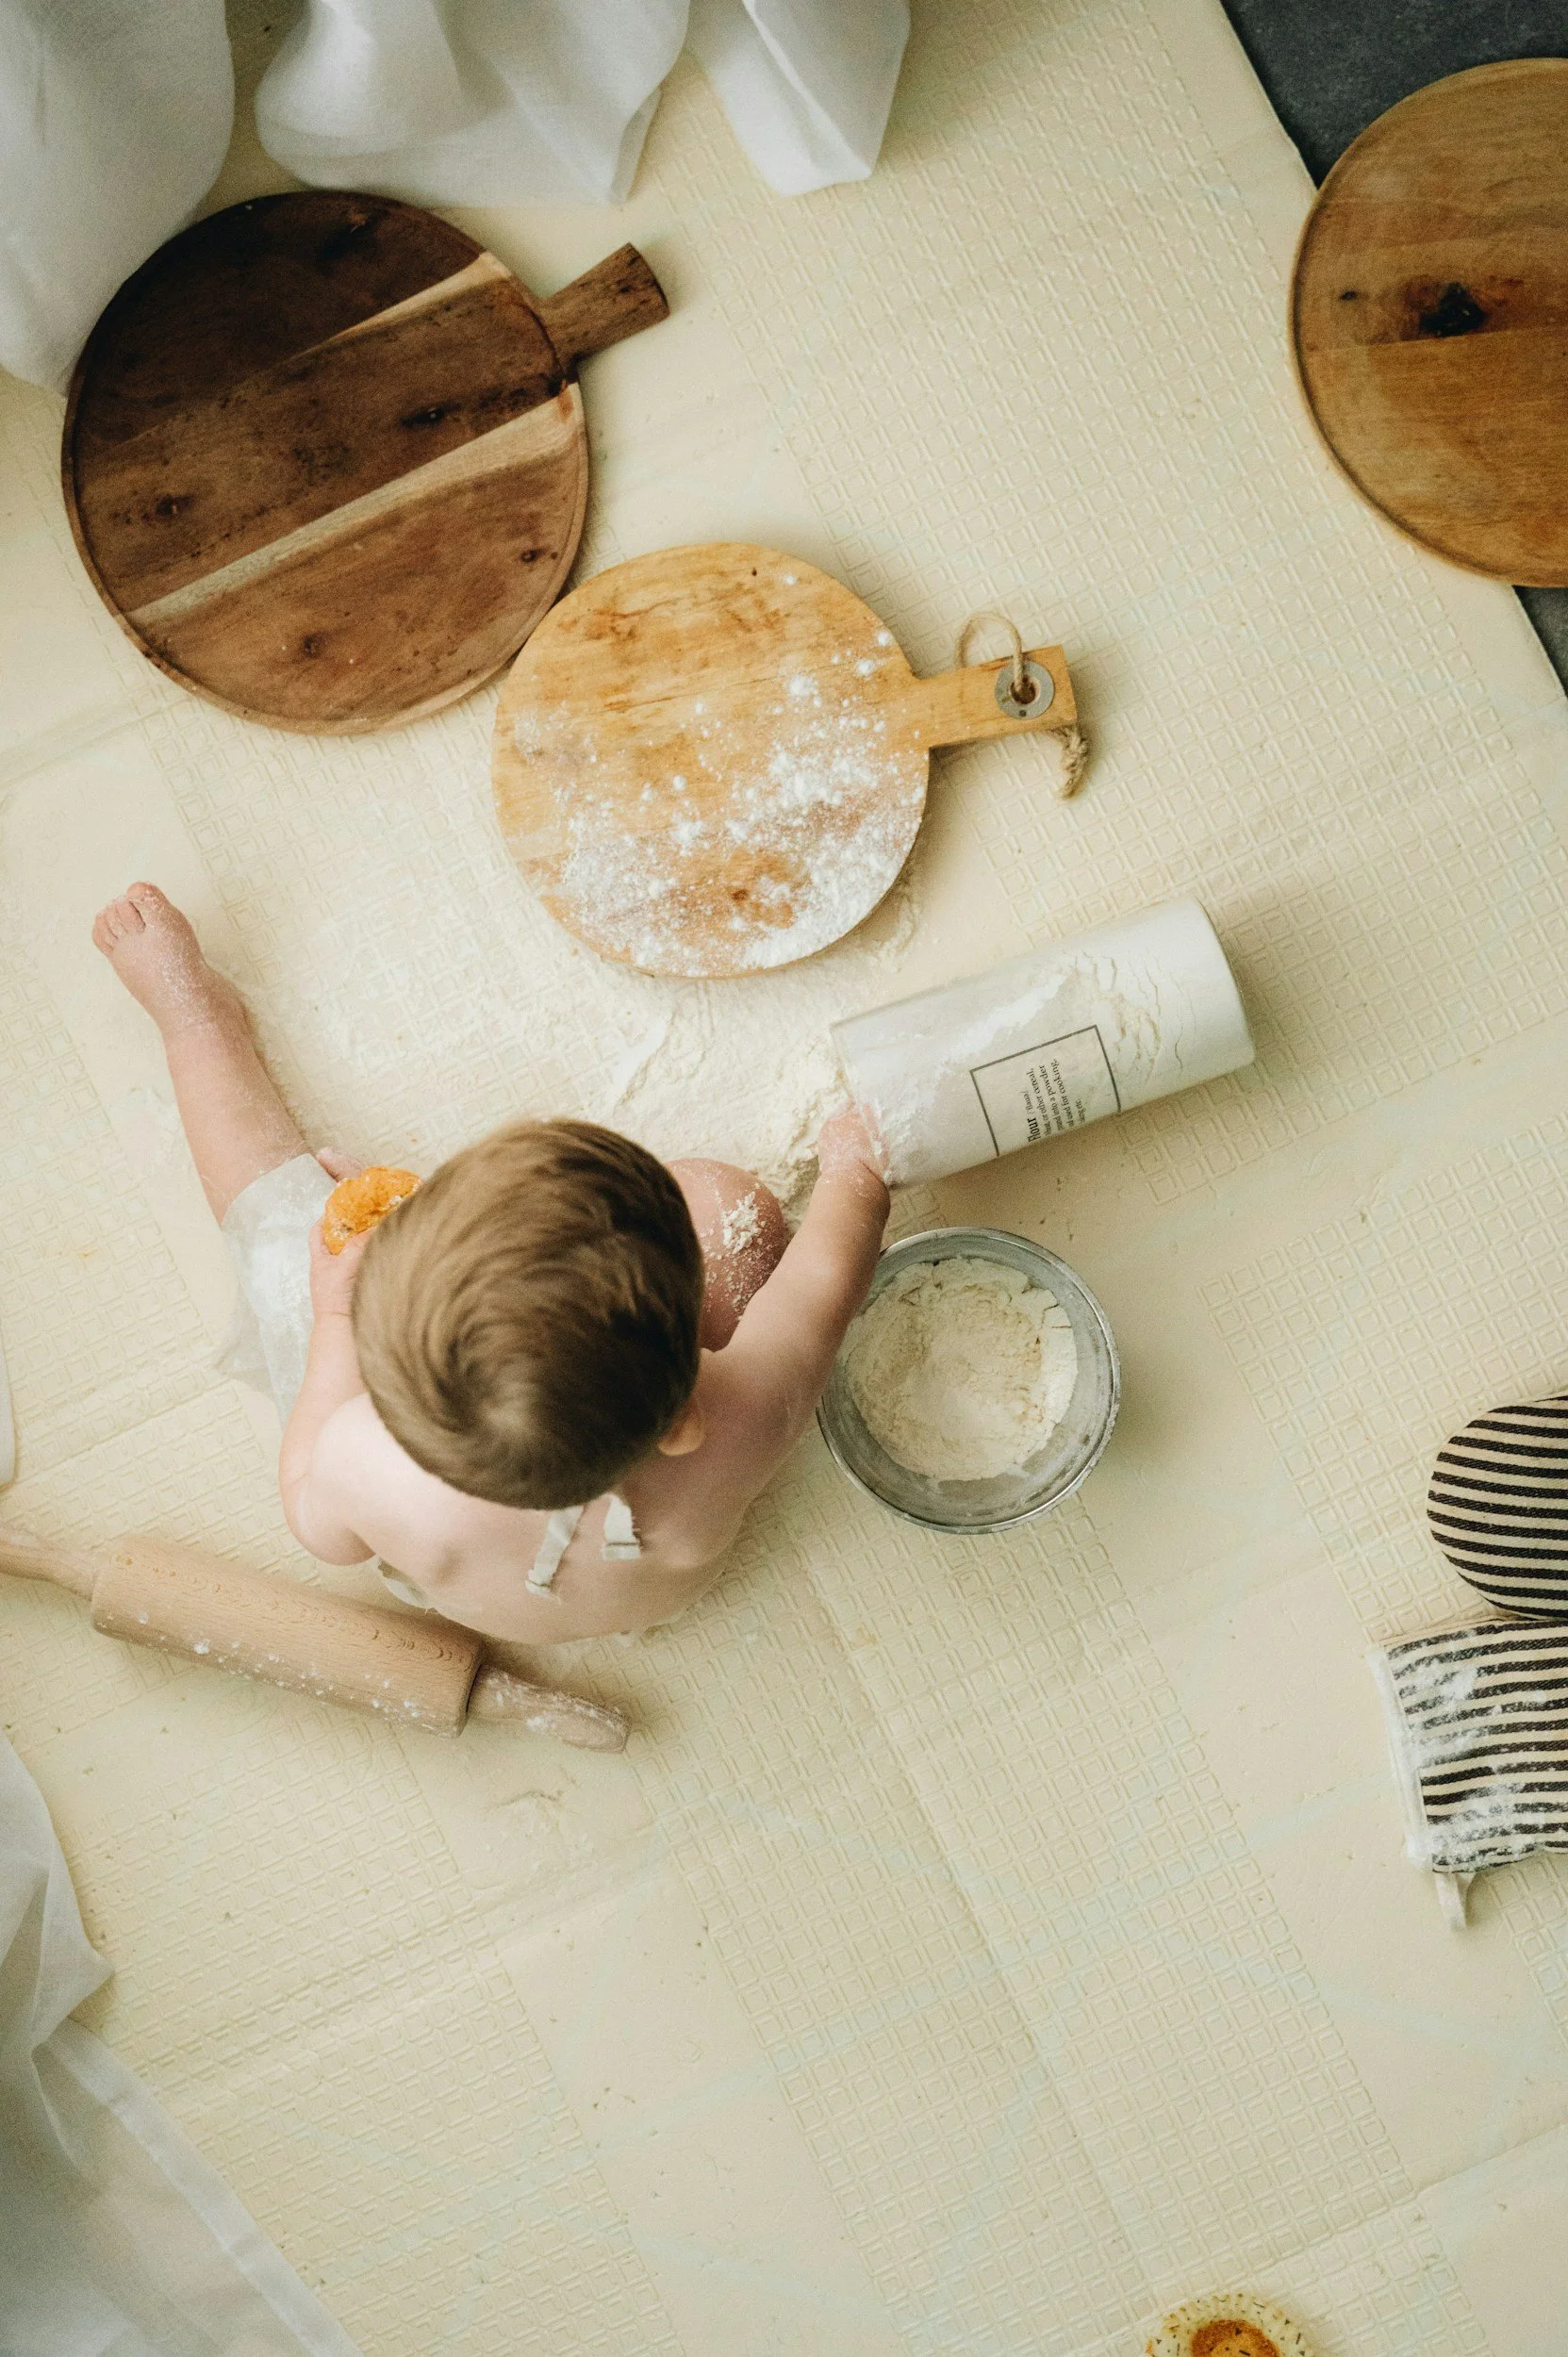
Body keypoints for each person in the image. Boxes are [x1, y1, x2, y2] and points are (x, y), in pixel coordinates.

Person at [93, 882, 889, 1640]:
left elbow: (319, 1531)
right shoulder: (734, 1425)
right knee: (727, 1206)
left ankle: (194, 1025)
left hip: (462, 1557)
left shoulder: (369, 1458)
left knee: (276, 1218)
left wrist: (336, 1315)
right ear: (683, 1415)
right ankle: (197, 1018)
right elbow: (822, 1287)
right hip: (642, 1577)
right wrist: (855, 1170)